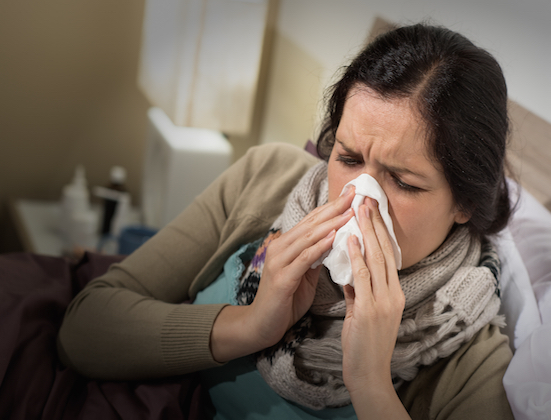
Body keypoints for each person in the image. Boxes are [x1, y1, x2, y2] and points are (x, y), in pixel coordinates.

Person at [58, 23, 514, 419]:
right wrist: (250, 326)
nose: (360, 199)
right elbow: (83, 330)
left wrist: (372, 385)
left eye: (404, 182)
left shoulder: (468, 352)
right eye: (348, 157)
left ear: (465, 203)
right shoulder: (266, 178)